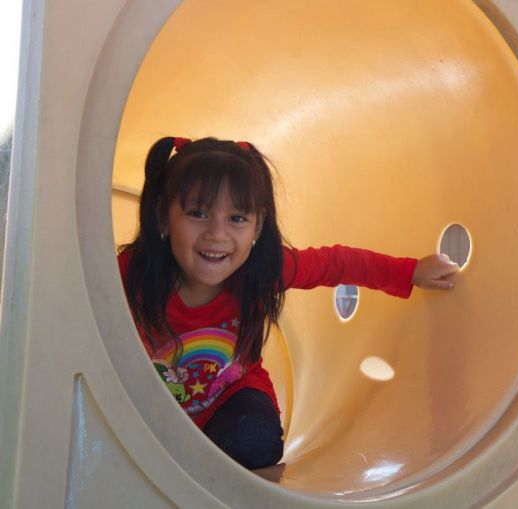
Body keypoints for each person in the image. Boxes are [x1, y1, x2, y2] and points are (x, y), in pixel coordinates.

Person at [118, 137, 458, 470]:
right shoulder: (130, 275)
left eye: (237, 218)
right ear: (163, 217)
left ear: (258, 226)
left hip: (231, 395)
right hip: (149, 403)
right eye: (198, 213)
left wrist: (410, 271)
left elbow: (336, 263)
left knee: (255, 441)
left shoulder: (262, 271)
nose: (217, 234)